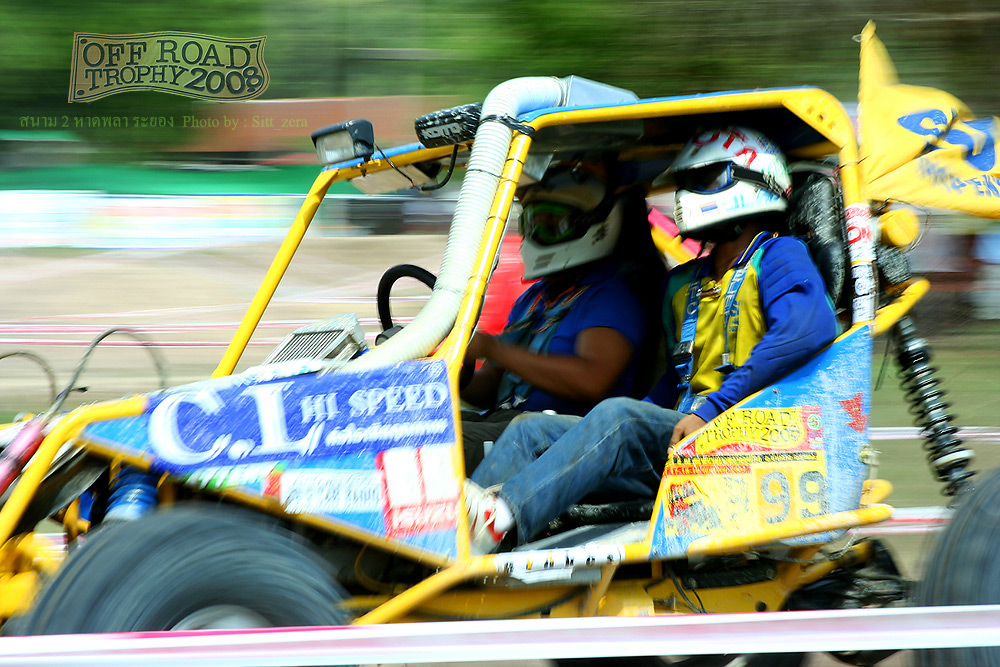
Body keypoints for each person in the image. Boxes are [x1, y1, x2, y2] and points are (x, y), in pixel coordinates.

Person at [465, 126, 839, 554]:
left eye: (705, 179)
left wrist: (711, 407)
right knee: (530, 428)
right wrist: (636, 419)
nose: (686, 193)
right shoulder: (684, 282)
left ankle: (500, 518)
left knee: (618, 417)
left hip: (748, 437)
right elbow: (677, 378)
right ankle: (458, 536)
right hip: (685, 438)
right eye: (685, 182)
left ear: (755, 180)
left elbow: (806, 330)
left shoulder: (779, 255)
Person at [459, 164, 657, 473]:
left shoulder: (608, 297)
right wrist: (448, 368)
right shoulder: (533, 298)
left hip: (563, 439)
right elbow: (490, 386)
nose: (538, 236)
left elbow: (592, 381)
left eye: (553, 226)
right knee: (418, 428)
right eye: (533, 225)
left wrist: (495, 349)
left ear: (589, 227)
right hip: (506, 422)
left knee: (438, 447)